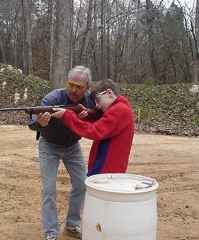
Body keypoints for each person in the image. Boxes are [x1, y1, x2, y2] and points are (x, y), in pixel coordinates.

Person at [28, 66, 95, 240]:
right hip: (49, 146)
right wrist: (40, 123)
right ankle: (50, 233)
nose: (73, 89)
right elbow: (32, 121)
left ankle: (72, 225)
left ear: (87, 87)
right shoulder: (53, 97)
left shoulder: (89, 102)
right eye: (70, 84)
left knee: (82, 184)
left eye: (79, 87)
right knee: (49, 189)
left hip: (73, 146)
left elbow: (99, 118)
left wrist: (87, 117)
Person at [52, 79, 135, 176]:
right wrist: (86, 118)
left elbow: (94, 131)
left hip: (106, 170)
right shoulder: (122, 107)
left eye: (98, 100)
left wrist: (67, 115)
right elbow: (106, 128)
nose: (97, 106)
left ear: (109, 93)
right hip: (110, 168)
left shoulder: (118, 110)